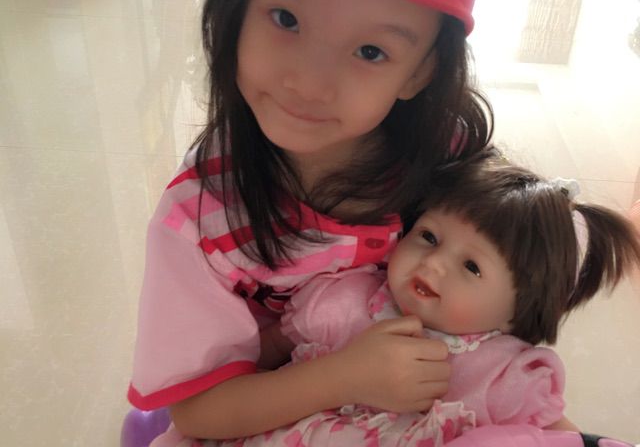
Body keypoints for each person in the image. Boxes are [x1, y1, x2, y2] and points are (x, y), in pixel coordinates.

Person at [127, 0, 509, 443]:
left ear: (420, 72)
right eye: (286, 18)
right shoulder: (198, 220)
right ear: (236, 6)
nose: (308, 81)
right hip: (265, 413)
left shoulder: (448, 160)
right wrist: (344, 377)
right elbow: (196, 411)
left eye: (370, 52)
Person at [199, 154, 640, 446]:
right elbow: (251, 360)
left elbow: (560, 437)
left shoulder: (505, 374)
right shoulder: (342, 299)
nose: (434, 264)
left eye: (472, 266)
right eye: (428, 236)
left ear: (518, 312)